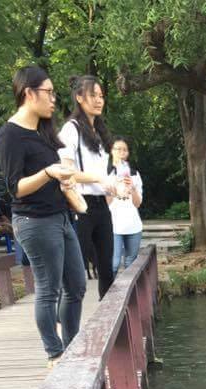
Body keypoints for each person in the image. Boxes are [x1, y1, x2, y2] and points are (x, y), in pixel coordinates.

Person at [0, 65, 86, 368]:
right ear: (28, 93)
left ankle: (70, 346)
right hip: (34, 222)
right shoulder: (11, 135)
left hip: (60, 217)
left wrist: (67, 179)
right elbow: (15, 188)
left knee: (77, 286)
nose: (53, 99)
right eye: (48, 92)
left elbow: (59, 171)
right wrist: (47, 173)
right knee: (49, 289)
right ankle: (54, 352)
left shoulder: (43, 131)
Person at [57, 75, 116, 298]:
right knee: (76, 270)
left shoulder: (99, 132)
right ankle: (65, 323)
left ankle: (109, 324)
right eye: (93, 95)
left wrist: (112, 187)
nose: (99, 100)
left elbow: (102, 175)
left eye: (101, 96)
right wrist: (98, 180)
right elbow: (66, 172)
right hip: (80, 206)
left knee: (107, 268)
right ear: (79, 97)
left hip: (101, 206)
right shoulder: (71, 130)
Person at [107, 137, 143, 275]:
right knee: (114, 264)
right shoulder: (106, 174)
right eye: (118, 149)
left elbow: (138, 203)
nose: (121, 152)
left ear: (128, 153)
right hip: (113, 225)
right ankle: (109, 295)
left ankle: (127, 296)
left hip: (133, 225)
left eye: (125, 149)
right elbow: (106, 203)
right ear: (111, 151)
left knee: (130, 263)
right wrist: (113, 187)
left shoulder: (134, 174)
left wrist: (132, 188)